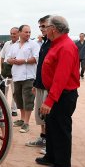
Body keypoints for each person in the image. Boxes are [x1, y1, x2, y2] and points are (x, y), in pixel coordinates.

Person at [36, 15, 79, 167]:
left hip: (63, 95)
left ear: (53, 29)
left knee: (61, 128)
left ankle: (63, 163)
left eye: (46, 27)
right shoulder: (57, 44)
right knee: (52, 126)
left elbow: (61, 77)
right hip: (56, 93)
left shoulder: (66, 46)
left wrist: (50, 100)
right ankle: (51, 156)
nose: (44, 30)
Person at [6, 25, 40, 133]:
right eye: (26, 32)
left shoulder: (33, 44)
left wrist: (23, 61)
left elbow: (36, 58)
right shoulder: (14, 45)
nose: (28, 34)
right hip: (16, 75)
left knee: (28, 99)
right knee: (18, 98)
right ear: (20, 32)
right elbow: (8, 58)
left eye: (29, 32)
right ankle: (21, 119)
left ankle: (26, 123)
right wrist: (12, 61)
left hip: (29, 76)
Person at [26, 15, 51, 153]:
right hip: (40, 83)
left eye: (44, 26)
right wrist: (36, 83)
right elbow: (40, 65)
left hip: (48, 85)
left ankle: (50, 142)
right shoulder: (45, 42)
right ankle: (43, 138)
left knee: (48, 116)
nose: (42, 29)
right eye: (40, 26)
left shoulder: (53, 43)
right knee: (40, 115)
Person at [0, 27, 19, 117]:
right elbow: (2, 57)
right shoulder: (7, 44)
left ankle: (14, 109)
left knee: (15, 92)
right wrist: (2, 69)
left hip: (16, 71)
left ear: (18, 34)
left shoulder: (21, 44)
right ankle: (4, 108)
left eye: (14, 33)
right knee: (4, 91)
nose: (12, 35)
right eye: (11, 33)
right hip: (5, 70)